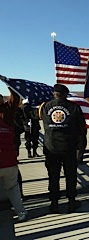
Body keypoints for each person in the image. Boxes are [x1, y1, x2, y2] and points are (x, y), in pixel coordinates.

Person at [36, 84, 85, 213]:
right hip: (68, 147)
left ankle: (54, 203)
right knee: (70, 175)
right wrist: (80, 146)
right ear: (65, 94)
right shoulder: (74, 107)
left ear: (54, 94)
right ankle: (71, 202)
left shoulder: (46, 106)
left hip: (51, 147)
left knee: (53, 175)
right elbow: (81, 129)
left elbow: (34, 115)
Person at [0, 78, 27, 221]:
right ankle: (21, 212)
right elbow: (15, 98)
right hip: (10, 161)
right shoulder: (9, 116)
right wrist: (9, 84)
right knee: (13, 188)